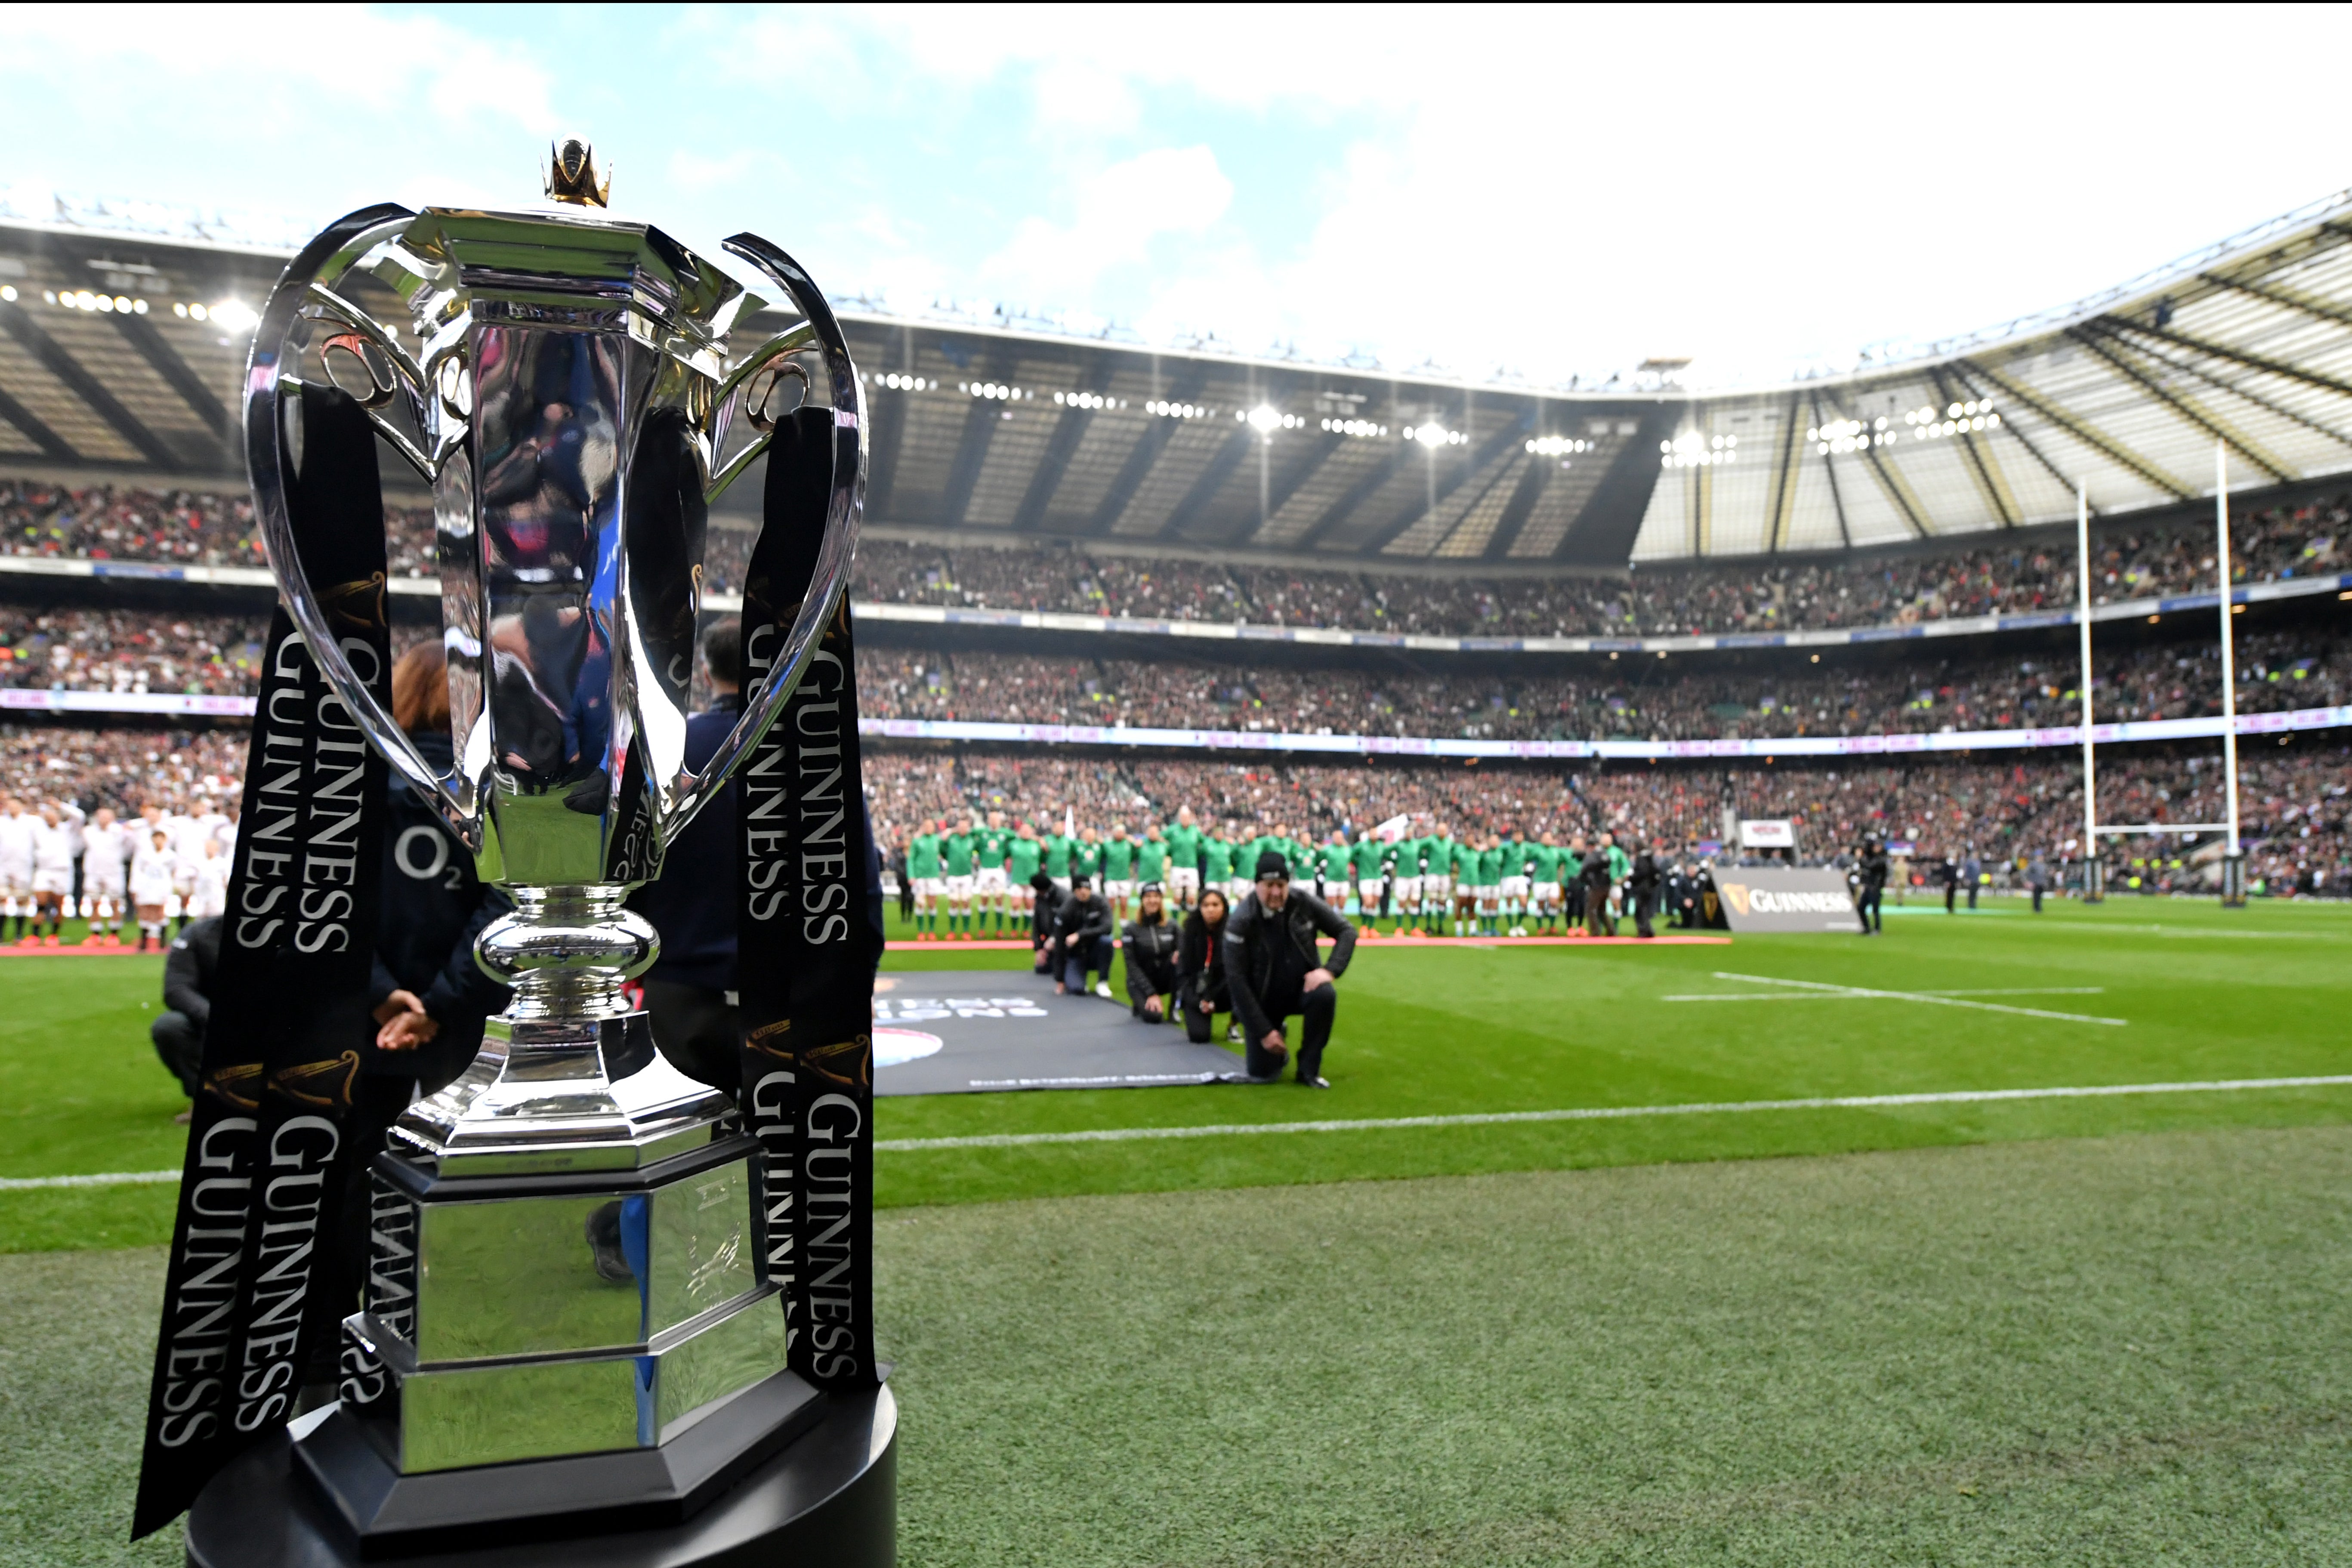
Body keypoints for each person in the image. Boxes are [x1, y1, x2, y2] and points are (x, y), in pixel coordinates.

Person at [628, 621, 745, 1091]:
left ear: (706, 671)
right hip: (784, 988)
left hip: (678, 981)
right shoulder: (802, 751)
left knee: (688, 1149)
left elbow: (632, 862)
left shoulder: (669, 750)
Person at [1222, 850, 1356, 1087]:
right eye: (1269, 885)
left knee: (1325, 994)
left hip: (1300, 989)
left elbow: (1346, 931)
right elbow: (1237, 981)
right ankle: (1276, 1033)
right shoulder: (1241, 920)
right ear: (1257, 885)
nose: (1276, 892)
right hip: (1262, 1000)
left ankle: (1309, 1070)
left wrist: (1330, 970)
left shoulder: (1303, 902)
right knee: (1262, 1074)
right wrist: (1264, 1032)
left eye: (1281, 885)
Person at [153, 914, 222, 1117]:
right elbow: (176, 988)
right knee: (170, 1027)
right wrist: (218, 1018)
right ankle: (204, 1098)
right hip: (214, 1023)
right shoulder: (198, 934)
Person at [1176, 887, 1234, 1044]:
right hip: (1199, 991)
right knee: (1199, 1036)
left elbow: (1236, 972)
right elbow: (1184, 974)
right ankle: (1182, 1008)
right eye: (1206, 905)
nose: (1211, 910)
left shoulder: (1234, 932)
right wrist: (1199, 1002)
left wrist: (1214, 1000)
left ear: (1224, 907)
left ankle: (1234, 1024)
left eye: (1216, 905)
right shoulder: (1190, 931)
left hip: (1225, 991)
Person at [1121, 882, 1182, 1022]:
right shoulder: (1131, 929)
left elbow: (1184, 948)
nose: (1152, 900)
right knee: (1154, 1018)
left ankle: (1174, 1010)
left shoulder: (1172, 926)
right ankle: (1140, 1002)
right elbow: (1131, 966)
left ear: (1161, 900)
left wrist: (1180, 953)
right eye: (1148, 897)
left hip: (1163, 977)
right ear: (1142, 900)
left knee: (1180, 961)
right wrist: (1151, 993)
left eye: (1156, 896)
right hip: (1139, 982)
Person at [1054, 873, 1115, 998]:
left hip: (1095, 950)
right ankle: (1078, 979)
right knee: (1077, 989)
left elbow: (1108, 927)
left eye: (1087, 889)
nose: (1084, 892)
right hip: (1076, 955)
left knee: (1107, 941)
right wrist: (1060, 979)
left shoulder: (1100, 902)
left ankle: (1102, 982)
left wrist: (1080, 935)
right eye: (1080, 889)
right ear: (1074, 891)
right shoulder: (1067, 909)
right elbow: (1059, 943)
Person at [80, 804, 132, 946]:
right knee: (93, 902)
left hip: (113, 872)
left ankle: (114, 935)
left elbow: (129, 846)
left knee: (115, 902)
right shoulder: (89, 831)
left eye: (107, 816)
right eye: (101, 816)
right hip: (93, 872)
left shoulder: (120, 832)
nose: (104, 819)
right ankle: (95, 935)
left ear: (113, 818)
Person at [129, 826, 178, 951]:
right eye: (156, 838)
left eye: (161, 838)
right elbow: (139, 870)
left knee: (160, 911)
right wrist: (136, 887)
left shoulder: (170, 855)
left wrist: (169, 886)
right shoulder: (145, 854)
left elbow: (173, 871)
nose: (158, 841)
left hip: (162, 885)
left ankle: (162, 940)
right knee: (145, 912)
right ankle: (144, 942)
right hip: (147, 885)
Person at [1164, 807, 1203, 911]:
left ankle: (1192, 923)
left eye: (1187, 816)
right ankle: (1174, 922)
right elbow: (1160, 838)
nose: (1185, 819)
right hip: (1177, 866)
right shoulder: (1173, 830)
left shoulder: (1195, 831)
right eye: (1183, 817)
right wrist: (1169, 850)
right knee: (1177, 896)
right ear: (1180, 817)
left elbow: (1204, 843)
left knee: (1192, 897)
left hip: (1191, 866)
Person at [1628, 840, 1663, 939]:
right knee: (1644, 909)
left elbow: (1643, 872)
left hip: (1641, 887)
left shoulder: (1641, 858)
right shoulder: (1649, 858)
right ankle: (1648, 930)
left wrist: (1631, 877)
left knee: (1640, 910)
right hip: (1648, 887)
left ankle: (1644, 931)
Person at [1856, 836, 1889, 935]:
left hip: (1875, 887)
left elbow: (1870, 866)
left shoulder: (1880, 860)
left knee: (1875, 909)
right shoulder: (1871, 858)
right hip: (1868, 886)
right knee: (1861, 908)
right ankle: (1866, 927)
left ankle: (1877, 929)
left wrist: (1860, 858)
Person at [2027, 850, 2052, 914]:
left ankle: (2039, 907)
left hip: (2042, 883)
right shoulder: (2033, 865)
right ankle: (2036, 908)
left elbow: (2046, 874)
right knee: (2036, 896)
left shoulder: (2043, 865)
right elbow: (2029, 873)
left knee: (2040, 896)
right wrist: (2030, 881)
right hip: (2036, 882)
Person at [1963, 847, 1983, 911]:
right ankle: (1970, 906)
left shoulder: (1978, 862)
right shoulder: (1970, 862)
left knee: (1975, 894)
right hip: (1971, 880)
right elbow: (1967, 871)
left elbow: (1979, 872)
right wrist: (1967, 879)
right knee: (1971, 894)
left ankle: (1974, 905)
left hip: (1976, 880)